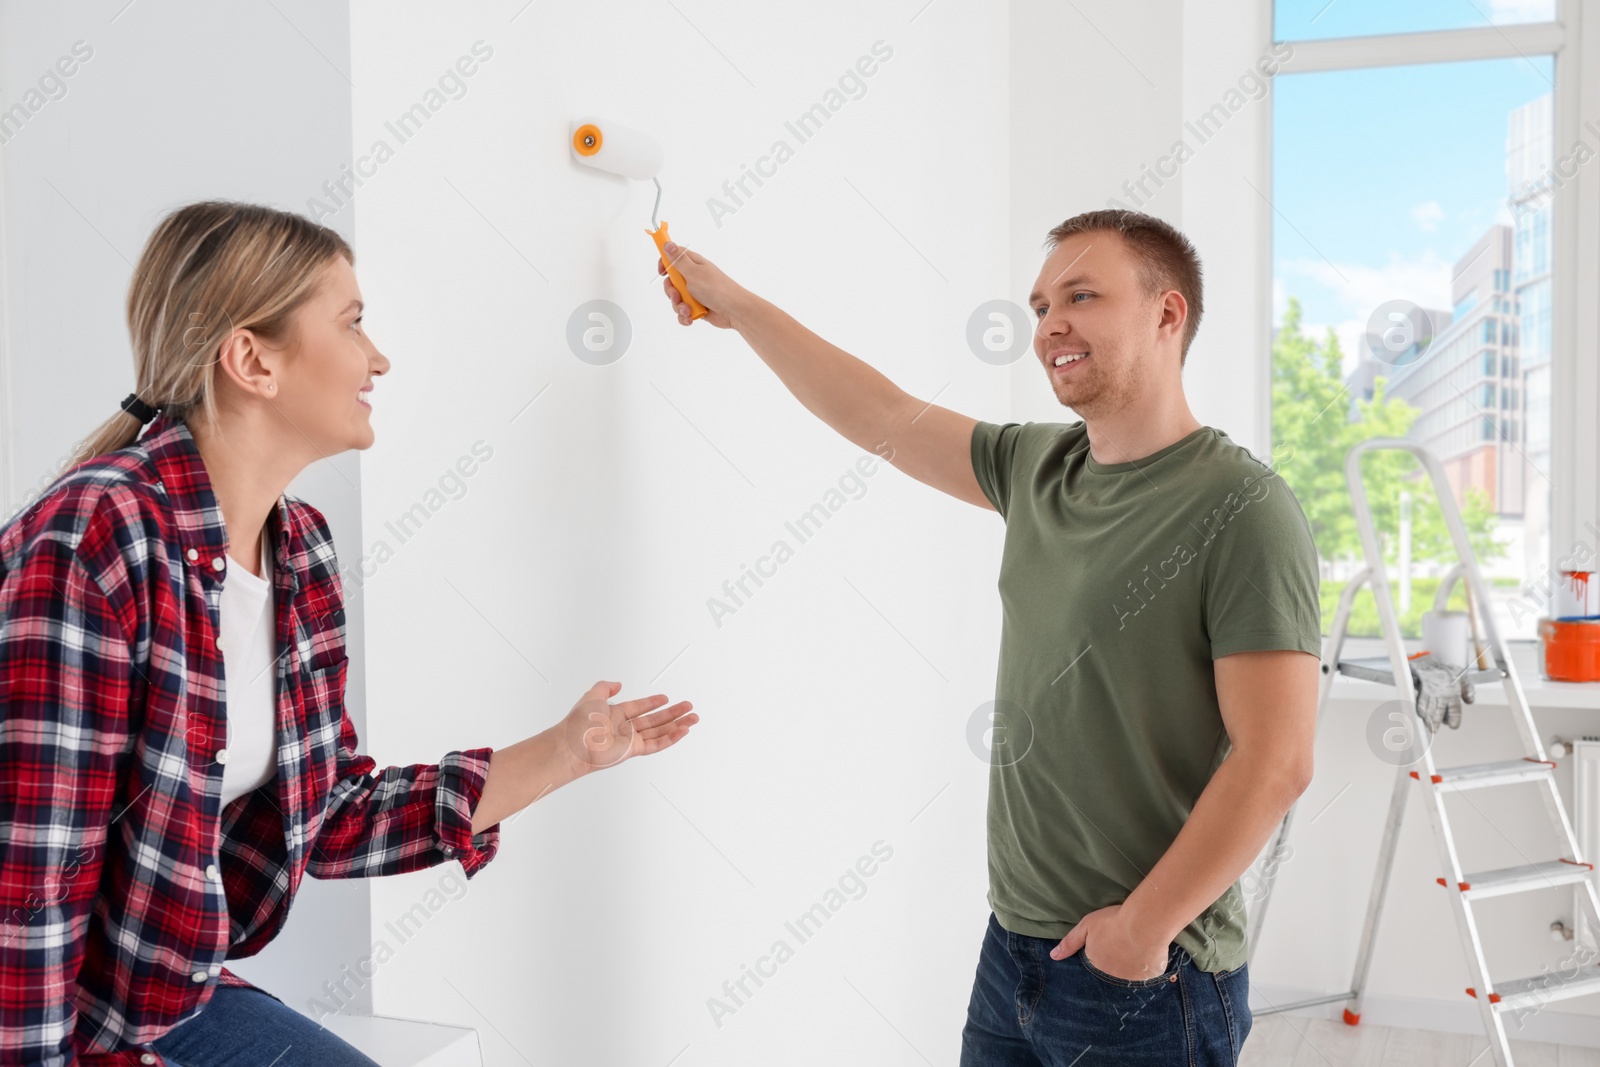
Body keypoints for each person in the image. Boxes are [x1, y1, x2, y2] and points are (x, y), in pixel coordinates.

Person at [0, 200, 700, 1067]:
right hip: (34, 1007)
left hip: (153, 995)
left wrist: (562, 752)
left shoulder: (301, 551)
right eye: (354, 323)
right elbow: (30, 877)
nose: (379, 358)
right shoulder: (98, 535)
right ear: (251, 359)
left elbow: (324, 812)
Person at [657, 208, 1321, 1064]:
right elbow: (882, 414)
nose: (1050, 326)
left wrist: (1139, 930)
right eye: (1042, 305)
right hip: (1015, 951)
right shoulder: (1036, 467)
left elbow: (1277, 760)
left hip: (1149, 978)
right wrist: (736, 305)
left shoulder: (1244, 507)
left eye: (1082, 295)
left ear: (1167, 314)